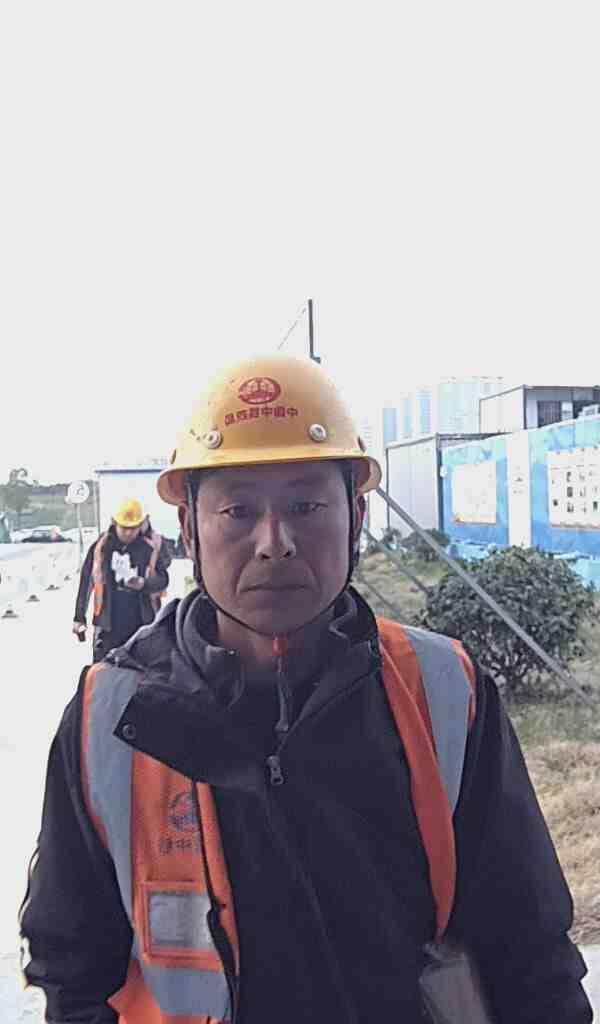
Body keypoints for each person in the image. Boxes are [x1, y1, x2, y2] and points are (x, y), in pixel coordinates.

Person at [20, 355, 592, 1023]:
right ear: (189, 530)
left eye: (307, 505)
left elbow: (529, 950)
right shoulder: (114, 717)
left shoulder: (444, 692)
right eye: (237, 510)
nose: (275, 542)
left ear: (356, 516)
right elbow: (70, 968)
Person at [71, 497, 171, 661]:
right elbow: (86, 582)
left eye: (133, 528)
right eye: (124, 528)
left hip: (141, 625)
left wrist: (144, 584)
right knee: (103, 671)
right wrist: (79, 617)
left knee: (141, 673)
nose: (128, 533)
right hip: (107, 626)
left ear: (141, 525)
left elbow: (163, 580)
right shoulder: (101, 548)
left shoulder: (148, 548)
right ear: (114, 523)